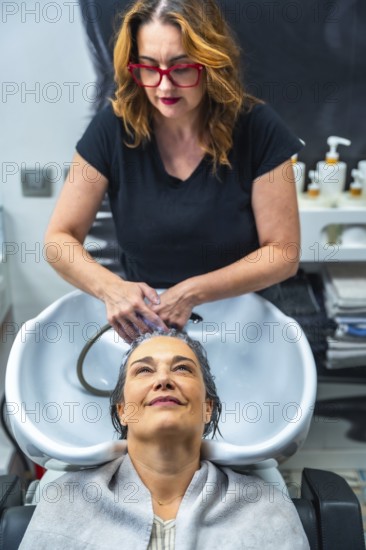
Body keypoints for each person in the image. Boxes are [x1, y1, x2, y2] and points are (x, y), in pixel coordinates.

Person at [45, 0, 302, 342]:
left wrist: (192, 292)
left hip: (240, 320)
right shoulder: (113, 127)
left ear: (211, 63)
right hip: (149, 322)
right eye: (149, 68)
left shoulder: (258, 128)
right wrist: (111, 289)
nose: (164, 87)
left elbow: (283, 254)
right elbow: (58, 240)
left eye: (181, 68)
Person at [20, 331, 310, 549]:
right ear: (122, 411)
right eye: (144, 370)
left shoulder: (263, 508)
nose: (163, 380)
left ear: (208, 408)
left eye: (182, 368)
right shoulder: (67, 503)